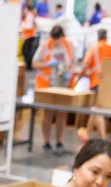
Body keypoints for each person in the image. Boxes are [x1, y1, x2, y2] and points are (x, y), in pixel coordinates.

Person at [34, 25, 74, 154]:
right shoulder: (45, 46)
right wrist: (47, 64)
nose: (57, 42)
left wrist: (69, 73)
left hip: (63, 84)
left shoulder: (68, 45)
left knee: (62, 113)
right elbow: (34, 63)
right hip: (48, 85)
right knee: (48, 113)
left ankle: (59, 141)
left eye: (59, 39)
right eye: (54, 39)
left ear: (63, 36)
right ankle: (46, 142)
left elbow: (72, 63)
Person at [77, 28, 111, 139]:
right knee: (96, 108)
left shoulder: (93, 49)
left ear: (97, 36)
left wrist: (78, 77)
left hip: (96, 81)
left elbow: (85, 65)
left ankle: (102, 138)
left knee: (97, 110)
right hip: (110, 83)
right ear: (106, 37)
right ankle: (87, 133)